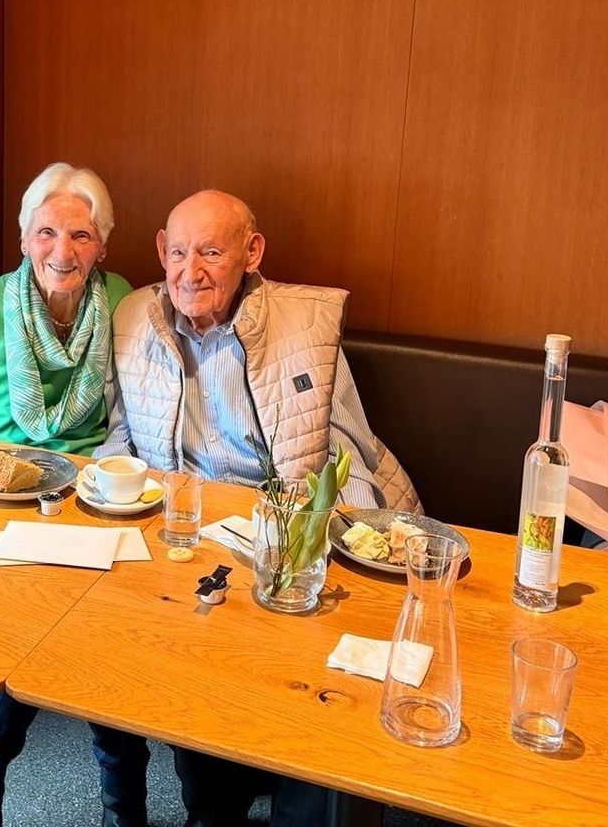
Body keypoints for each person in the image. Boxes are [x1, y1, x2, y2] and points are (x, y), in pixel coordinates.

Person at [100, 189, 419, 826]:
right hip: (186, 538)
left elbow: (347, 456)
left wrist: (356, 559)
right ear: (161, 251)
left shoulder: (305, 328)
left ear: (252, 253)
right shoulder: (132, 316)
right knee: (185, 656)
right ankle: (213, 807)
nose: (191, 272)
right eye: (180, 252)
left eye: (211, 253)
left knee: (320, 696)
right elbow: (121, 436)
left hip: (291, 534)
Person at [0, 162, 145, 827]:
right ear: (23, 239)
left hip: (91, 499)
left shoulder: (125, 299)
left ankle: (2, 787)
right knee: (33, 634)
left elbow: (136, 413)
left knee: (100, 643)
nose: (63, 250)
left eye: (81, 235)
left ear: (102, 245)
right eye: (46, 232)